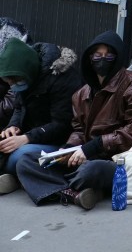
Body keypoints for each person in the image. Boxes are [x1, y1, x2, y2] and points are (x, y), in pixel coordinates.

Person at [14, 31, 132, 209]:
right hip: (85, 156)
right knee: (26, 162)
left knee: (91, 171)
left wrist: (94, 146)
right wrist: (67, 150)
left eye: (109, 55)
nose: (102, 60)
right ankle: (74, 194)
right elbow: (79, 130)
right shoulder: (82, 94)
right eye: (97, 55)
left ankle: (66, 186)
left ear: (118, 58)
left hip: (117, 159)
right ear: (90, 58)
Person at [0, 35, 81, 196]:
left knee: (20, 156)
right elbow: (19, 107)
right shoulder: (25, 75)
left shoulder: (62, 79)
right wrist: (13, 126)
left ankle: (17, 176)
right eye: (9, 83)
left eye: (14, 82)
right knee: (6, 146)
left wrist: (26, 138)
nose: (13, 86)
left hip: (60, 142)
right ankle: (16, 176)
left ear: (27, 72)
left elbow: (63, 124)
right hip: (34, 134)